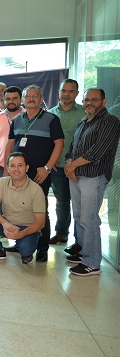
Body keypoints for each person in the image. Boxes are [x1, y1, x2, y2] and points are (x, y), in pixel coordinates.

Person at [5, 85, 64, 262]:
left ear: (41, 99)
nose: (31, 99)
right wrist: (7, 170)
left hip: (40, 174)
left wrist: (47, 168)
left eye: (35, 96)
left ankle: (42, 248)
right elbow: (10, 145)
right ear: (23, 100)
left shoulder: (51, 119)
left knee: (40, 210)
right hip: (18, 173)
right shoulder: (16, 120)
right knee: (18, 208)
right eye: (27, 96)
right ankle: (20, 242)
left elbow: (59, 144)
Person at [64, 88, 120, 276]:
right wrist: (70, 165)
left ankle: (92, 262)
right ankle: (83, 252)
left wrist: (72, 166)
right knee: (79, 216)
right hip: (76, 176)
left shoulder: (110, 121)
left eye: (94, 99)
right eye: (87, 99)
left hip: (93, 176)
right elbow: (72, 148)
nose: (90, 103)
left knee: (89, 219)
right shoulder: (83, 121)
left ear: (104, 102)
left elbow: (97, 152)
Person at [0, 152, 46, 265]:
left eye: (20, 165)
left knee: (25, 250)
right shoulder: (2, 182)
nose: (16, 169)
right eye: (12, 166)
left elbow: (40, 223)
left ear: (27, 168)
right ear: (8, 168)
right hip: (7, 224)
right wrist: (4, 223)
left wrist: (20, 234)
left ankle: (23, 245)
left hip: (27, 228)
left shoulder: (36, 190)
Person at [48, 79, 85, 245]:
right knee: (61, 202)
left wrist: (76, 163)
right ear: (59, 92)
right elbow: (46, 140)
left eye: (71, 91)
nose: (66, 94)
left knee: (79, 205)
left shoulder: (84, 113)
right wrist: (50, 159)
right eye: (64, 90)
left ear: (77, 93)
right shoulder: (49, 114)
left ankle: (79, 240)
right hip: (57, 167)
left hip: (78, 167)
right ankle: (61, 234)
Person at [0, 86, 24, 190]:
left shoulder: (28, 116)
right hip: (0, 165)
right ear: (4, 100)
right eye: (8, 99)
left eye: (14, 98)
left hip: (23, 165)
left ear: (21, 99)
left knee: (22, 195)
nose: (11, 101)